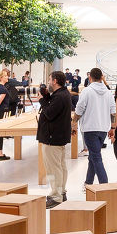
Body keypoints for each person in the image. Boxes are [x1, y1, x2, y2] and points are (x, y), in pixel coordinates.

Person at [37, 72, 73, 208]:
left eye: (49, 80)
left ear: (55, 81)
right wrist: (46, 97)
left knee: (53, 168)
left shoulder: (59, 97)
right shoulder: (62, 94)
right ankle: (61, 192)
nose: (48, 82)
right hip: (58, 137)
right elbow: (52, 108)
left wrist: (41, 100)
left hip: (52, 138)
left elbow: (49, 113)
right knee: (60, 167)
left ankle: (56, 196)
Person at [75, 68, 115, 187]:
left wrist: (73, 122)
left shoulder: (87, 91)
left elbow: (79, 109)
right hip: (103, 129)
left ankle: (105, 186)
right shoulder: (108, 92)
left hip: (89, 129)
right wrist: (112, 128)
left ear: (90, 78)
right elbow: (113, 112)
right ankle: (88, 183)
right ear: (101, 77)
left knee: (96, 157)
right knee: (93, 156)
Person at [0, 69, 15, 161]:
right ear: (1, 78)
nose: (7, 77)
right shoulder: (3, 89)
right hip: (2, 111)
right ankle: (0, 154)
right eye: (5, 76)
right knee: (0, 132)